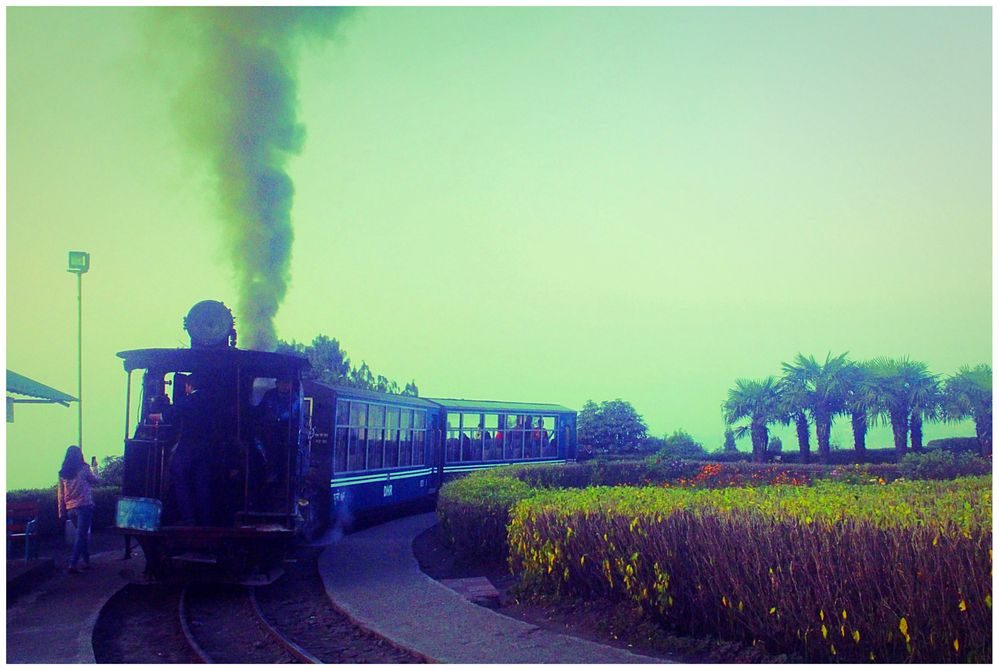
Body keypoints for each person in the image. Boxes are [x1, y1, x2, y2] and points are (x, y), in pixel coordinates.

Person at [152, 372, 216, 526]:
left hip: (189, 446)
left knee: (178, 475)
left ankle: (188, 517)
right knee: (203, 483)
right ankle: (205, 520)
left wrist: (151, 416)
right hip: (208, 448)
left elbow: (165, 417)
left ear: (189, 386)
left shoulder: (187, 401)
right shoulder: (213, 402)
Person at [57, 446, 100, 574]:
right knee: (81, 536)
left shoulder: (62, 473)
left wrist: (61, 511)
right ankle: (73, 564)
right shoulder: (84, 469)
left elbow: (60, 494)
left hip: (71, 509)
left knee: (81, 536)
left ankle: (87, 561)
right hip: (85, 506)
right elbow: (96, 481)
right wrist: (96, 468)